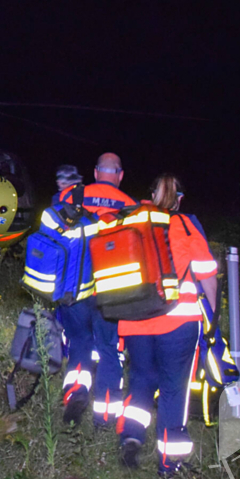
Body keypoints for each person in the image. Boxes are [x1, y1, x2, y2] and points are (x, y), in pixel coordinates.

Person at [116, 174, 218, 476]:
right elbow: (207, 276)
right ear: (179, 199)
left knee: (141, 380)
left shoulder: (129, 222)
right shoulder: (185, 225)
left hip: (135, 320)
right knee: (174, 389)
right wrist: (213, 315)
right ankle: (169, 462)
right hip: (179, 322)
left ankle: (131, 437)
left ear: (150, 195)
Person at [57, 153, 136, 427]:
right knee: (108, 348)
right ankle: (105, 417)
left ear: (95, 172)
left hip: (74, 287)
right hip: (110, 290)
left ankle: (75, 394)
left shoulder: (70, 196)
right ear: (120, 175)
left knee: (79, 342)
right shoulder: (129, 205)